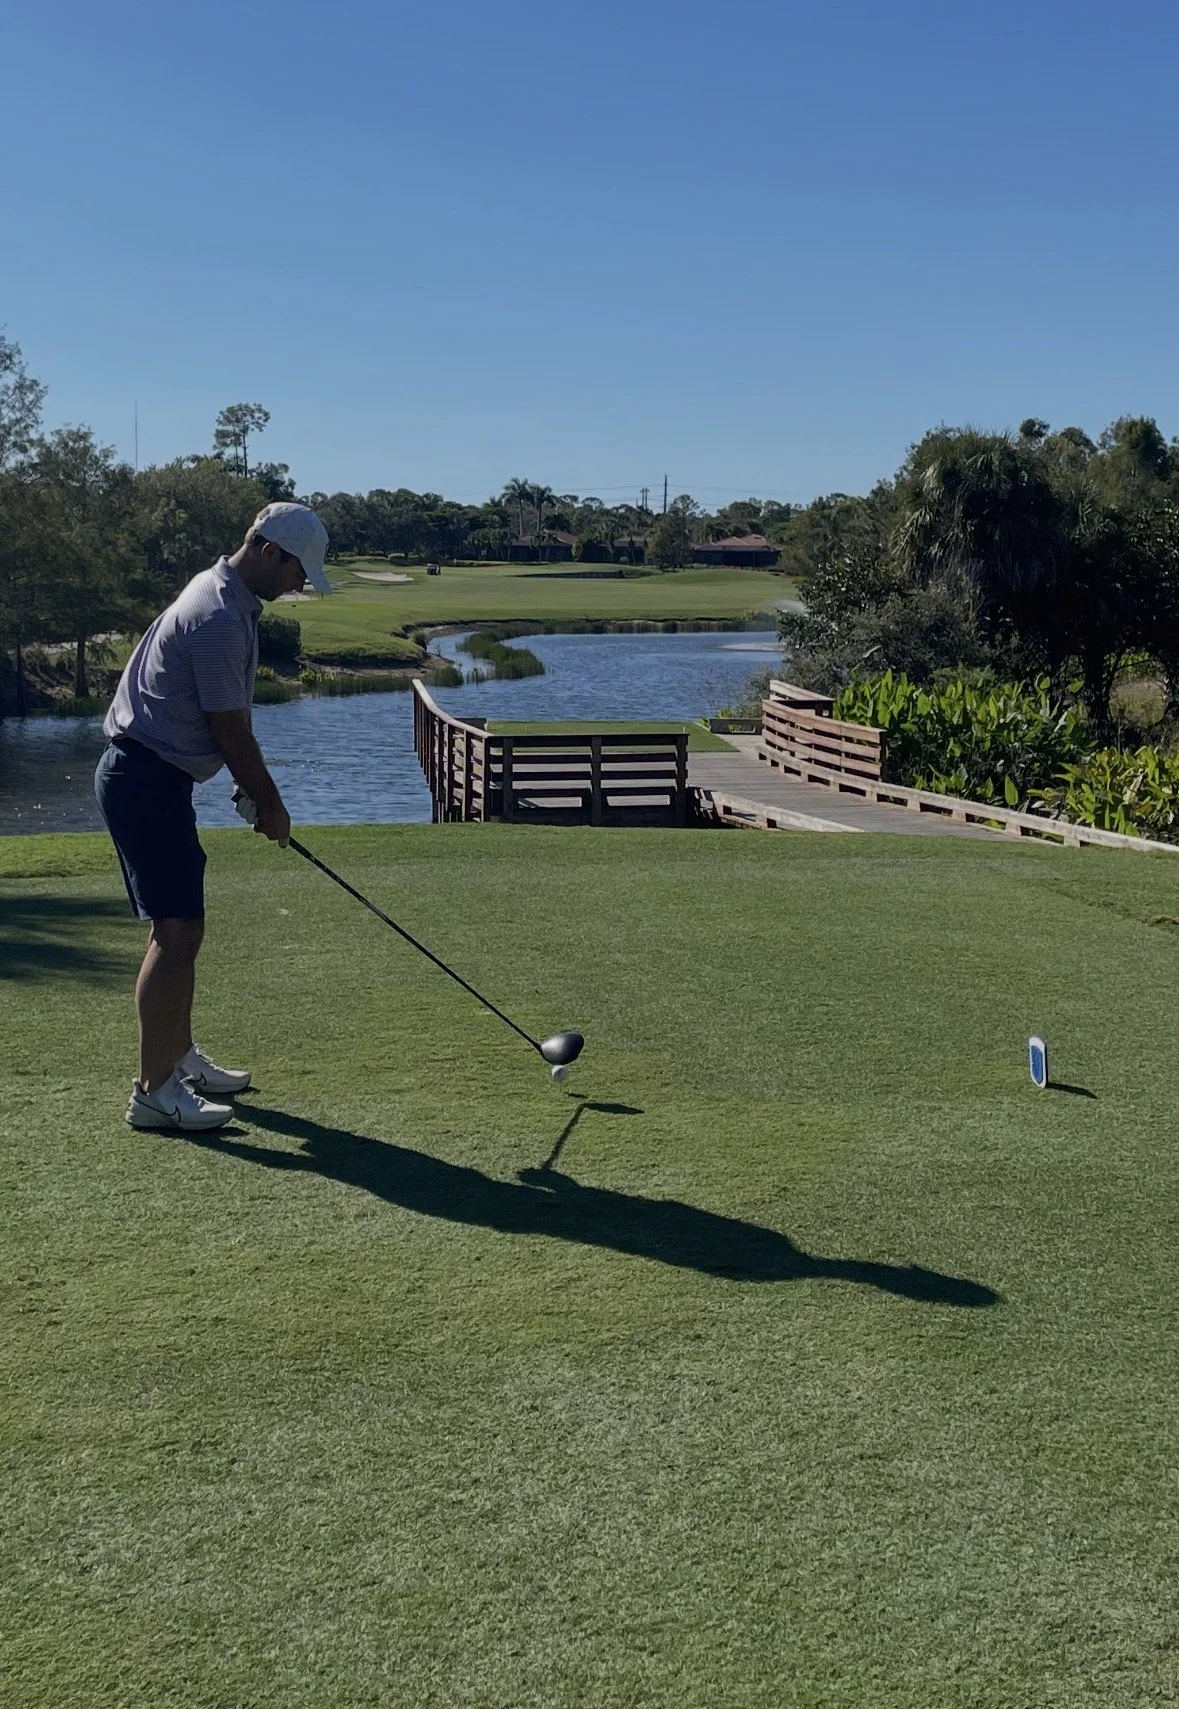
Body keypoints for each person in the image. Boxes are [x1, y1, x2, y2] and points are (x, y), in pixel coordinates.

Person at [95, 502, 330, 1132]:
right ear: (268, 551)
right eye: (299, 571)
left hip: (155, 777)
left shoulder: (221, 588)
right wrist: (271, 805)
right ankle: (153, 1091)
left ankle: (179, 1059)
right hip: (143, 779)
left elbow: (219, 722)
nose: (300, 585)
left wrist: (245, 790)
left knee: (182, 929)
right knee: (176, 932)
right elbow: (230, 732)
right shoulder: (223, 614)